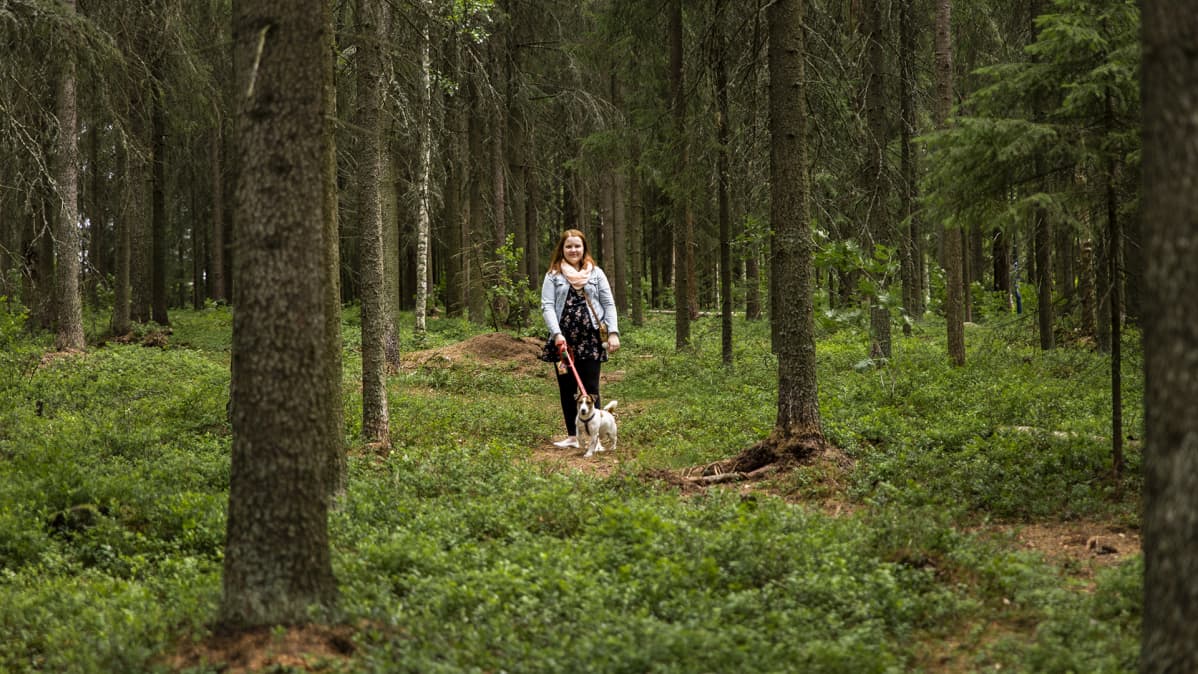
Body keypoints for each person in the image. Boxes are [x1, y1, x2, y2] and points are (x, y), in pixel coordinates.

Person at [539, 229, 620, 448]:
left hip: (591, 340)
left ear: (584, 248)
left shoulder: (596, 273)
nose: (573, 250)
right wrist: (557, 335)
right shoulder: (553, 275)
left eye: (577, 246)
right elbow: (547, 306)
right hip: (563, 341)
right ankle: (573, 437)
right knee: (567, 388)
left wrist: (613, 332)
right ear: (562, 249)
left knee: (590, 388)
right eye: (568, 246)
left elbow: (609, 303)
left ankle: (596, 440)